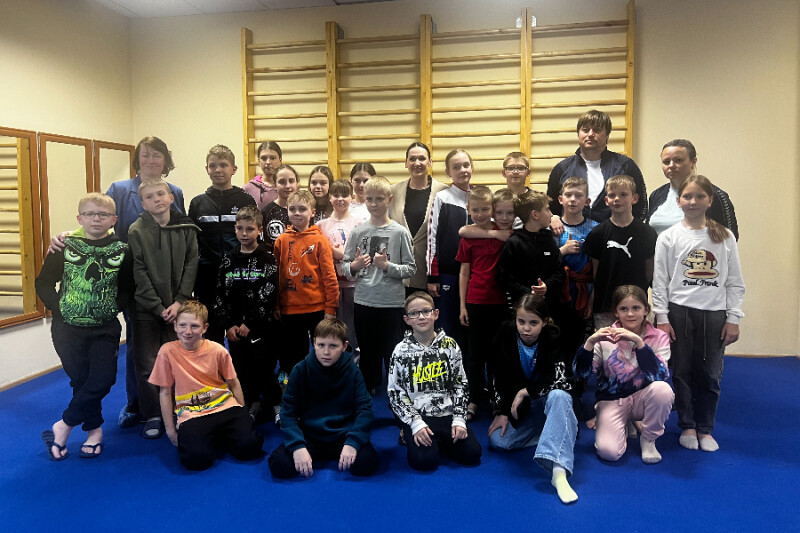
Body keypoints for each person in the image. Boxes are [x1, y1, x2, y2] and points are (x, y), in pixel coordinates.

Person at [49, 136, 185, 429]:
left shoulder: (175, 192)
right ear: (137, 159)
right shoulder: (121, 190)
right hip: (128, 279)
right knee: (137, 345)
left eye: (157, 155)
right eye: (145, 155)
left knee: (170, 344)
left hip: (167, 283)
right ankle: (137, 403)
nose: (151, 161)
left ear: (165, 160)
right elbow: (99, 218)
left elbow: (180, 233)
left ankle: (172, 403)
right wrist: (67, 236)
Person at [36, 193, 132, 460]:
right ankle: (94, 432)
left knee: (103, 379)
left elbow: (127, 288)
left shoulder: (123, 251)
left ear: (114, 219)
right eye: (89, 214)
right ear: (79, 218)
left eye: (103, 214)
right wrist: (59, 308)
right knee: (80, 380)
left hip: (104, 328)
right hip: (67, 328)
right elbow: (44, 282)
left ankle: (63, 425)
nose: (96, 219)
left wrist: (113, 308)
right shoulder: (64, 247)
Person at [653, 175, 745, 453]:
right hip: (679, 311)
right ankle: (688, 425)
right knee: (681, 370)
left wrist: (733, 318)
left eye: (699, 196)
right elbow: (660, 281)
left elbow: (734, 281)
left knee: (710, 373)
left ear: (710, 200)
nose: (693, 201)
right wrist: (662, 318)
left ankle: (705, 427)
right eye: (687, 196)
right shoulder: (669, 237)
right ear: (678, 201)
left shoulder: (724, 237)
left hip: (714, 313)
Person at [148, 301, 263, 471]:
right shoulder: (167, 351)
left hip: (225, 406)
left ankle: (215, 435)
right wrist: (170, 430)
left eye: (194, 326)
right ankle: (213, 436)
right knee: (196, 460)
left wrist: (242, 412)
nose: (188, 331)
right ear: (175, 325)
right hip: (192, 412)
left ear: (205, 328)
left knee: (250, 447)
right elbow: (164, 392)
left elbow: (233, 382)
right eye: (183, 325)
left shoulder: (217, 350)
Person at [489, 294, 579, 504]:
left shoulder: (554, 337)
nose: (526, 329)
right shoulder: (505, 334)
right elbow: (495, 375)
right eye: (521, 321)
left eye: (533, 323)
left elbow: (563, 380)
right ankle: (558, 432)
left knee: (559, 395)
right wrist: (501, 411)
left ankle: (559, 473)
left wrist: (527, 391)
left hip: (547, 400)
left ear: (544, 322)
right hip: (524, 408)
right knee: (499, 441)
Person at [128, 179, 200, 439]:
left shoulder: (187, 228)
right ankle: (153, 414)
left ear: (171, 198)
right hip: (146, 309)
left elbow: (192, 263)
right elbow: (138, 270)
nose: (156, 199)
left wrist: (180, 301)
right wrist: (158, 306)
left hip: (178, 307)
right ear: (142, 203)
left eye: (160, 194)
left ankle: (179, 408)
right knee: (147, 362)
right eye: (149, 197)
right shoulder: (136, 230)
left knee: (178, 359)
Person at [268, 318, 379, 479]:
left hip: (343, 434)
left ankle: (341, 452)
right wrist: (298, 446)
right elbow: (288, 412)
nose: (326, 352)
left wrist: (353, 442)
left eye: (333, 346)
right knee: (279, 465)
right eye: (321, 345)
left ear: (344, 346)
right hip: (310, 436)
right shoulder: (300, 370)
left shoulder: (353, 372)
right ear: (314, 343)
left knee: (367, 463)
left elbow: (365, 410)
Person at [574, 285, 673, 464]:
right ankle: (624, 421)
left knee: (663, 390)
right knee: (609, 453)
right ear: (616, 312)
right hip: (612, 400)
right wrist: (589, 344)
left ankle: (648, 438)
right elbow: (581, 374)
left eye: (636, 308)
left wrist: (639, 343)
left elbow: (660, 375)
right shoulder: (605, 337)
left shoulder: (659, 337)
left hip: (642, 398)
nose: (630, 314)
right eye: (624, 309)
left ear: (646, 310)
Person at [388, 292, 482, 471]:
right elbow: (395, 393)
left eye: (426, 311)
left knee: (472, 454)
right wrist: (415, 423)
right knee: (424, 462)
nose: (421, 317)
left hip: (447, 414)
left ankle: (439, 441)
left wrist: (459, 419)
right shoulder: (400, 351)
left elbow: (460, 384)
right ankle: (410, 434)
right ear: (407, 319)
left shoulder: (450, 345)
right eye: (414, 313)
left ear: (436, 314)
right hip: (418, 415)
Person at [341, 176, 416, 394]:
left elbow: (411, 269)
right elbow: (344, 266)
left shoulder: (400, 232)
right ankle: (369, 383)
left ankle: (396, 386)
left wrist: (388, 266)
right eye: (369, 199)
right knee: (367, 347)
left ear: (389, 199)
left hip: (391, 302)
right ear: (364, 199)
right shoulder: (358, 232)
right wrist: (353, 266)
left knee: (392, 348)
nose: (374, 204)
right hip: (364, 300)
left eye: (379, 199)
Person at [214, 206, 280, 422]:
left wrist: (251, 322)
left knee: (265, 366)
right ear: (235, 229)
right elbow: (220, 293)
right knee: (241, 367)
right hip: (235, 329)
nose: (244, 233)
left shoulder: (267, 258)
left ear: (259, 230)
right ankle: (251, 401)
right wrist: (228, 324)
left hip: (261, 327)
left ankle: (275, 403)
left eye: (250, 229)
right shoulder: (228, 259)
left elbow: (269, 293)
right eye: (240, 228)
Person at [456, 187, 516, 419]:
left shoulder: (505, 233)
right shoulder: (469, 237)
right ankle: (473, 398)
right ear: (468, 210)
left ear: (492, 209)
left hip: (499, 302)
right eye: (476, 210)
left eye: (485, 209)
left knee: (496, 354)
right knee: (474, 356)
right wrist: (462, 306)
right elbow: (464, 273)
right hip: (475, 301)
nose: (480, 214)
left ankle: (495, 397)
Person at [188, 145, 257, 345]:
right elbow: (192, 241)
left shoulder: (245, 200)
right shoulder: (197, 203)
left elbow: (253, 237)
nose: (218, 169)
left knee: (239, 333)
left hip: (238, 272)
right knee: (211, 333)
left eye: (223, 165)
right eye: (213, 166)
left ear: (233, 169)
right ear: (206, 169)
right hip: (207, 274)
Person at [274, 190, 339, 385]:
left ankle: (321, 384)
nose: (297, 213)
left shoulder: (320, 240)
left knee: (320, 351)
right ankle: (295, 384)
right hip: (289, 308)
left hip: (316, 308)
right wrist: (276, 304)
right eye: (292, 209)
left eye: (302, 209)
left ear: (313, 212)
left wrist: (331, 308)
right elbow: (275, 276)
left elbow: (329, 276)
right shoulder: (281, 240)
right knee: (293, 353)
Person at [546, 109, 647, 233]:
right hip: (572, 238)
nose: (590, 134)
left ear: (607, 135)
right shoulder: (562, 168)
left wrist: (627, 232)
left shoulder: (625, 165)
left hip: (615, 236)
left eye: (597, 130)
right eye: (585, 130)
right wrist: (554, 218)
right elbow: (552, 206)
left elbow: (640, 206)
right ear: (578, 134)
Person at [582, 175, 657, 329]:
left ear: (635, 198)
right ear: (606, 200)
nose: (617, 199)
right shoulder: (597, 233)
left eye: (623, 194)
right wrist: (593, 298)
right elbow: (596, 272)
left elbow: (649, 271)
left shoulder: (647, 233)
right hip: (606, 305)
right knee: (608, 343)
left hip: (636, 305)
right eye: (612, 195)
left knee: (636, 342)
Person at [427, 148, 473, 351]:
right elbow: (432, 237)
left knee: (470, 325)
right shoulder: (442, 198)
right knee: (448, 327)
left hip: (475, 275)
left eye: (466, 165)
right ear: (448, 172)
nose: (462, 170)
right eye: (456, 167)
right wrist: (433, 276)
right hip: (449, 275)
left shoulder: (480, 197)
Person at [648, 139, 738, 239]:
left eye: (678, 160)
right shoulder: (656, 195)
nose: (671, 165)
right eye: (666, 162)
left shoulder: (714, 195)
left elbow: (729, 238)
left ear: (693, 162)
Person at [389, 142, 447, 295]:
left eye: (422, 158)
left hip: (429, 277)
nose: (417, 163)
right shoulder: (392, 192)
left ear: (430, 162)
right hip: (397, 274)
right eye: (412, 159)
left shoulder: (444, 192)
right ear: (406, 163)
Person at [317, 179, 366, 352]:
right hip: (331, 285)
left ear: (352, 197)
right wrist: (331, 251)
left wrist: (340, 254)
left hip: (354, 284)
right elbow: (318, 253)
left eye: (344, 195)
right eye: (336, 195)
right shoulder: (321, 225)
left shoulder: (360, 224)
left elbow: (363, 253)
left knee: (353, 326)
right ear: (329, 197)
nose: (340, 199)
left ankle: (354, 358)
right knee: (333, 325)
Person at [495, 190, 564, 313]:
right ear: (535, 215)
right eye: (547, 209)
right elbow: (502, 277)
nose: (551, 214)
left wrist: (546, 286)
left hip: (549, 307)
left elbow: (559, 271)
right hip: (522, 308)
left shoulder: (549, 239)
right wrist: (528, 292)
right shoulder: (514, 243)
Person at [555, 177, 598, 355]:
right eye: (568, 195)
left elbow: (598, 269)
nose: (573, 199)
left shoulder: (595, 229)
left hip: (584, 293)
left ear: (587, 201)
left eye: (578, 195)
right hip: (558, 293)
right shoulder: (552, 228)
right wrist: (562, 251)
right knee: (558, 343)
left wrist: (592, 300)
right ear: (560, 199)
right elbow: (544, 263)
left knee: (581, 344)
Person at [261, 164, 299, 250]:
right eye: (282, 182)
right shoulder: (266, 212)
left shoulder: (305, 211)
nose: (288, 186)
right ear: (274, 185)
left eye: (291, 181)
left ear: (297, 183)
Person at [243, 141, 281, 210]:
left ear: (280, 161)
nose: (268, 162)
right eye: (264, 158)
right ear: (259, 161)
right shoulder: (248, 189)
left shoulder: (287, 188)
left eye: (272, 158)